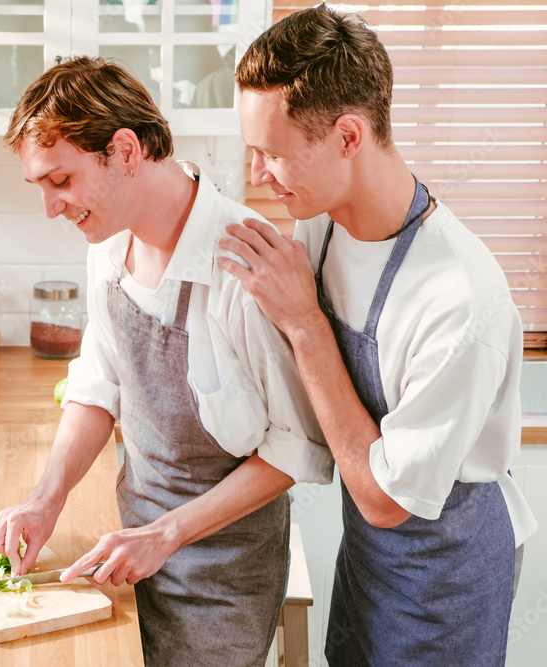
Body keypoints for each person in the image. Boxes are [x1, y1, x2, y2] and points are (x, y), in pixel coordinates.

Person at [0, 56, 333, 666]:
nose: (51, 208)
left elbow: (297, 446)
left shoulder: (243, 264)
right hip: (128, 555)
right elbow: (99, 382)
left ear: (122, 150)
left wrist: (165, 535)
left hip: (221, 586)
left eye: (60, 181)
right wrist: (48, 497)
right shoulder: (109, 239)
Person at [220, 6, 538, 665]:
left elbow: (387, 498)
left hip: (444, 573)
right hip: (368, 553)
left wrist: (307, 324)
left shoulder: (457, 301)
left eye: (272, 153)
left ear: (348, 136)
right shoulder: (321, 222)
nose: (257, 176)